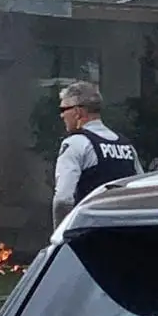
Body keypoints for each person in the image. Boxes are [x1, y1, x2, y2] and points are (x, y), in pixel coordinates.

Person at [53, 81, 144, 229]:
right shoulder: (126, 146)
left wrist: (61, 235)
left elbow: (63, 199)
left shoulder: (76, 143)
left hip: (90, 235)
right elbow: (140, 192)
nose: (62, 115)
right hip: (127, 234)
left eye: (64, 109)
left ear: (78, 112)